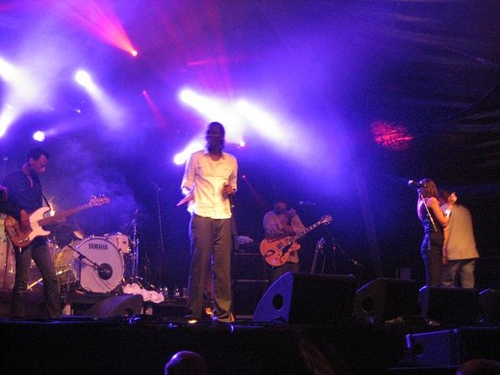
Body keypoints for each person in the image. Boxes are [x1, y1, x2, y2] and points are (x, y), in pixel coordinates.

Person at [179, 122, 237, 323]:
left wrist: (231, 190)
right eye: (210, 133)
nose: (213, 136)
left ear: (222, 137)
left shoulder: (231, 161)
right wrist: (190, 194)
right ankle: (193, 313)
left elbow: (234, 186)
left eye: (217, 134)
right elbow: (186, 184)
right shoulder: (195, 158)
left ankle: (222, 314)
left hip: (223, 215)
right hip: (201, 213)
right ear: (206, 136)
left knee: (222, 267)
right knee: (199, 264)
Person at [2, 147, 62, 319]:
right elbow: (2, 203)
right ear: (31, 161)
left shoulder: (37, 182)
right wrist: (19, 210)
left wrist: (48, 222)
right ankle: (17, 321)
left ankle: (55, 318)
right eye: (41, 165)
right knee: (22, 281)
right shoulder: (12, 179)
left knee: (51, 277)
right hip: (20, 233)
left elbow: (37, 213)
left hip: (38, 237)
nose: (44, 169)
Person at [416, 178, 456, 287]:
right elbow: (444, 222)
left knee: (434, 281)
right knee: (434, 282)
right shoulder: (432, 201)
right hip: (433, 244)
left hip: (429, 242)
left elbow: (422, 217)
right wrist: (450, 206)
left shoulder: (420, 203)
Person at [438, 190, 480, 288]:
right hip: (469, 253)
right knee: (468, 287)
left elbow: (445, 231)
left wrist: (443, 252)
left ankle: (450, 304)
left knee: (447, 284)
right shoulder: (465, 210)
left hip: (452, 253)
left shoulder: (442, 210)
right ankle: (469, 303)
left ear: (441, 199)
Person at [262, 200, 306, 284]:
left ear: (286, 204)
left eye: (281, 202)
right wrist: (285, 220)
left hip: (292, 259)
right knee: (276, 285)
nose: (279, 204)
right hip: (277, 259)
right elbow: (271, 232)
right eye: (276, 202)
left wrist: (292, 230)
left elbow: (303, 231)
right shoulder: (270, 216)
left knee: (293, 286)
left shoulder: (294, 216)